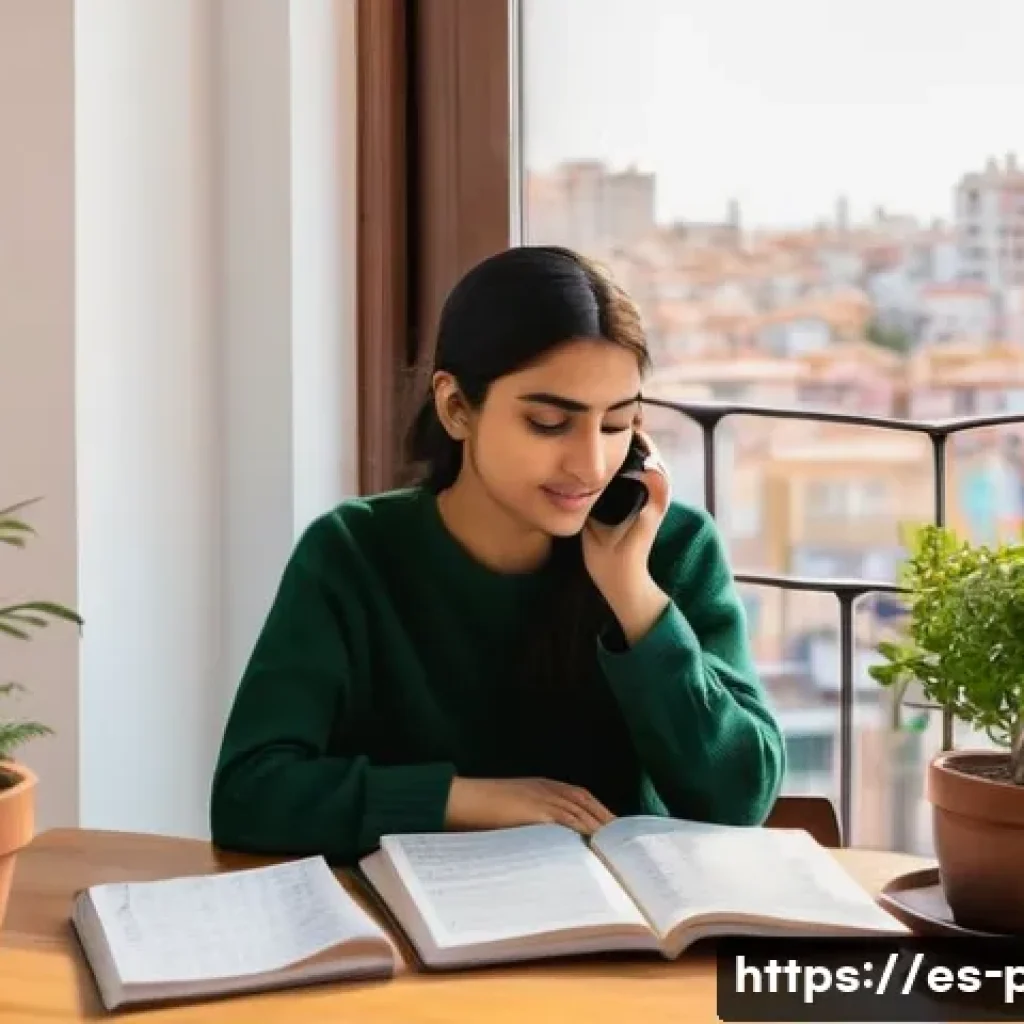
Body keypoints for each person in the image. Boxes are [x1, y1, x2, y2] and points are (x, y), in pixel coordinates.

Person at [209, 244, 786, 865]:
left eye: (617, 425)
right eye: (548, 423)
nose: (590, 464)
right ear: (457, 408)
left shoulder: (667, 547)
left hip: (621, 945)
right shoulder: (353, 554)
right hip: (409, 940)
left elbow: (738, 799)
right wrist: (468, 800)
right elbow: (249, 794)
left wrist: (633, 597)